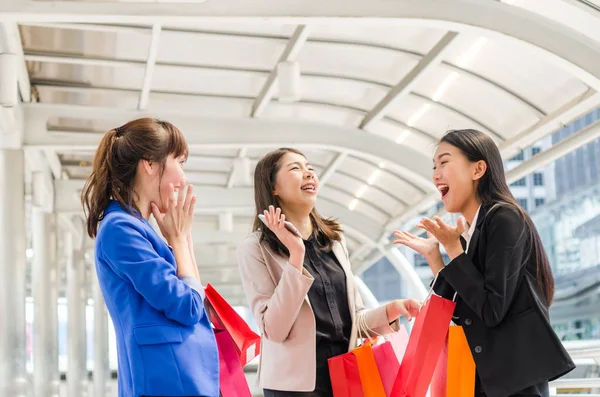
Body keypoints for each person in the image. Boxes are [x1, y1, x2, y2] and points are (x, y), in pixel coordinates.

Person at [393, 129, 575, 397]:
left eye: (444, 162)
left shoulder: (504, 218)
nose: (435, 174)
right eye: (434, 166)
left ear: (478, 169)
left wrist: (453, 249)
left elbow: (491, 309)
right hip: (485, 380)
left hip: (513, 383)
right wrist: (436, 257)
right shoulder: (471, 231)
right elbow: (460, 310)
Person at [237, 148, 421, 397]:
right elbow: (274, 330)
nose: (308, 173)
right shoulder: (256, 247)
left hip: (346, 375)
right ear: (273, 188)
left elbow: (354, 320)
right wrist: (296, 258)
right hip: (294, 388)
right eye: (295, 168)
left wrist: (392, 309)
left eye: (309, 167)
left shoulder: (334, 241)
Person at [81, 118, 219, 397]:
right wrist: (179, 241)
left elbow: (195, 300)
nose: (183, 178)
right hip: (165, 382)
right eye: (179, 162)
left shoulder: (138, 228)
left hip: (178, 379)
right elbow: (190, 307)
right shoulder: (121, 229)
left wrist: (181, 240)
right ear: (150, 164)